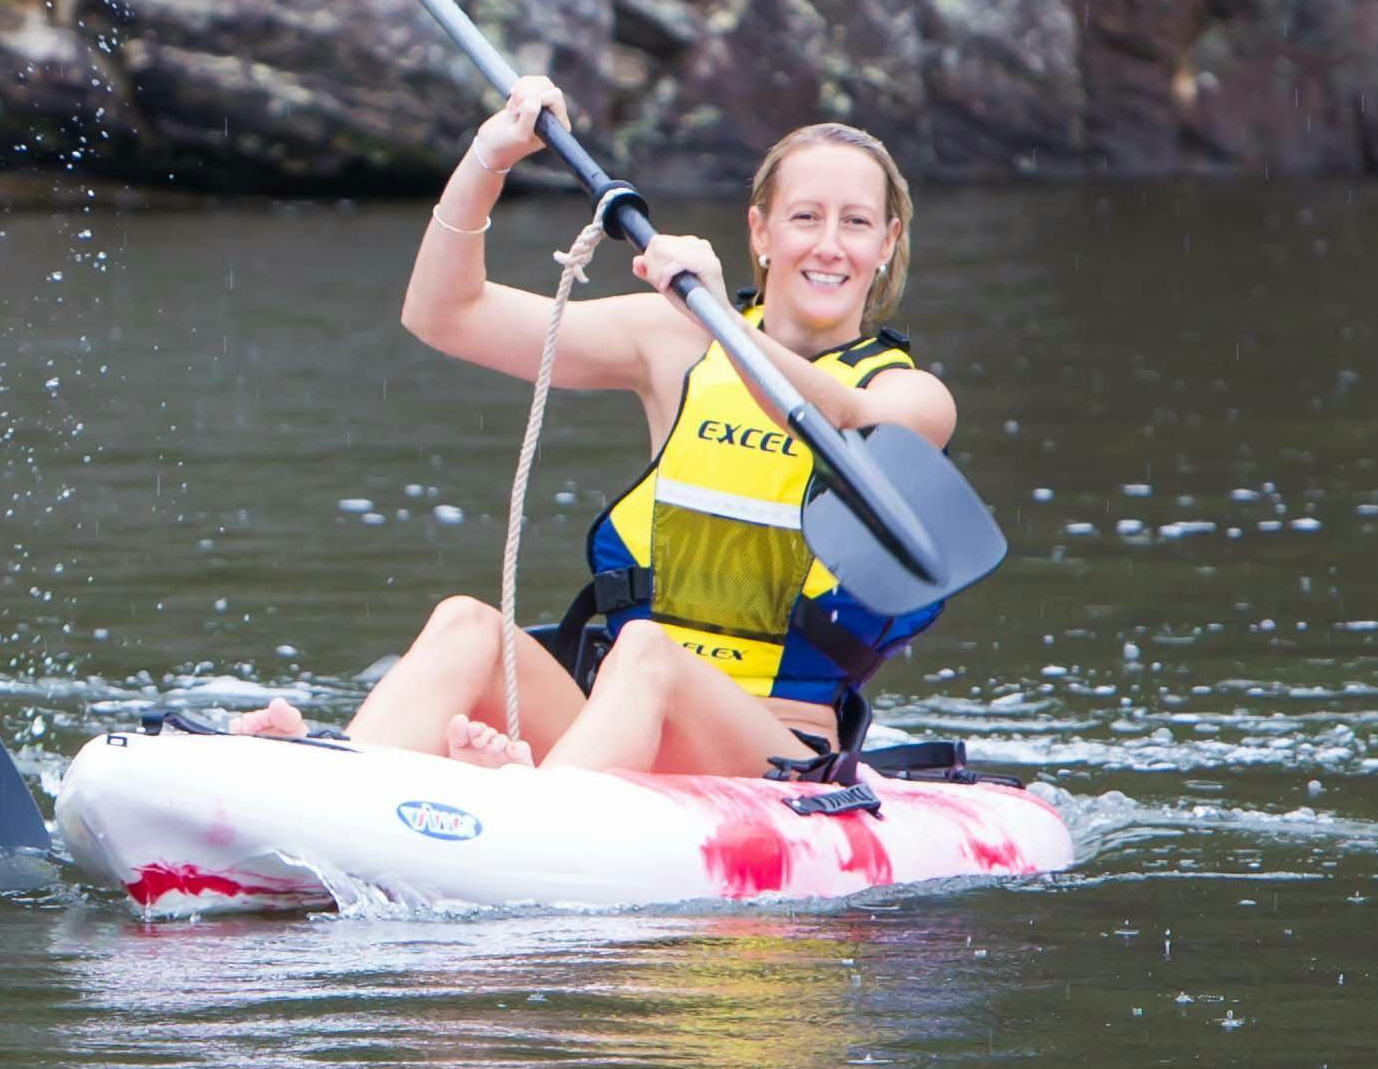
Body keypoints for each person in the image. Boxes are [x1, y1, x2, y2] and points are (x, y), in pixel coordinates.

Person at [248, 81, 956, 779]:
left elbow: (838, 420)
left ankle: (523, 813)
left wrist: (708, 313)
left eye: (856, 223)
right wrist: (487, 162)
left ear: (888, 243)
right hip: (620, 716)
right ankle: (336, 778)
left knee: (646, 652)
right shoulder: (672, 340)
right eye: (805, 218)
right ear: (761, 233)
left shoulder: (908, 396)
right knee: (469, 624)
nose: (829, 245)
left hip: (776, 749)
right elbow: (445, 314)